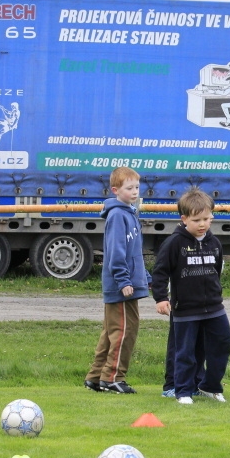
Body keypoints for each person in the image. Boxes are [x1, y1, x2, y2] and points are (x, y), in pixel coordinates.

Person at [151, 189, 230, 405]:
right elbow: (160, 272)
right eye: (197, 220)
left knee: (222, 344)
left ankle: (210, 386)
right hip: (185, 309)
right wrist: (161, 298)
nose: (202, 224)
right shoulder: (174, 243)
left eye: (206, 219)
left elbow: (216, 269)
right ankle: (183, 391)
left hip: (214, 308)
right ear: (184, 219)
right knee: (185, 353)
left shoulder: (215, 243)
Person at [85, 167, 150, 394]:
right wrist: (124, 281)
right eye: (129, 188)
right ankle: (113, 378)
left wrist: (144, 277)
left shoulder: (130, 213)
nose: (134, 192)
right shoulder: (117, 215)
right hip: (122, 287)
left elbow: (134, 253)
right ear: (115, 190)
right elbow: (115, 253)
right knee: (124, 331)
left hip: (131, 283)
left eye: (136, 187)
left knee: (111, 331)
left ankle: (95, 376)